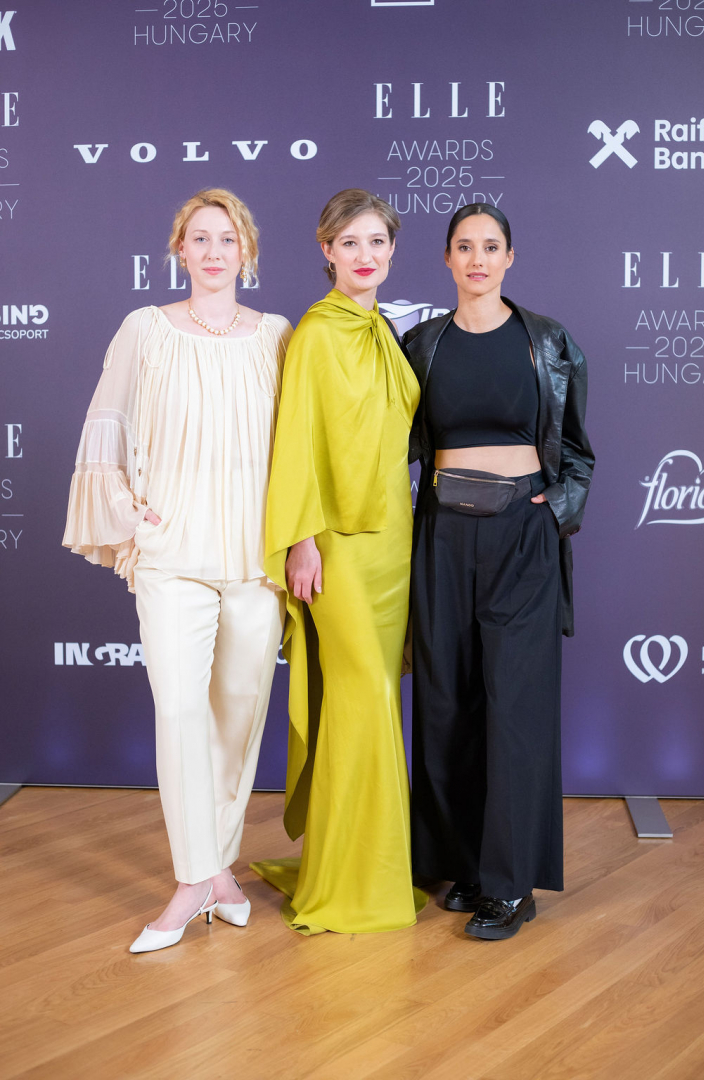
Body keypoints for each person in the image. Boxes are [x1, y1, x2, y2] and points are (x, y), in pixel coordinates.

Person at [63, 189, 293, 953]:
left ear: (246, 250)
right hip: (172, 560)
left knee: (238, 716)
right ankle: (194, 880)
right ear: (179, 250)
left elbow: (299, 445)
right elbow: (106, 417)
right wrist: (125, 509)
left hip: (255, 562)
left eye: (227, 237)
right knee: (181, 710)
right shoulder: (146, 329)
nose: (214, 250)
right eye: (200, 237)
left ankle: (217, 872)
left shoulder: (277, 335)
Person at [404, 203, 594, 941]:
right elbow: (391, 445)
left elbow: (576, 450)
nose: (477, 259)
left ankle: (511, 886)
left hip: (523, 531)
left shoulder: (547, 341)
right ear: (447, 259)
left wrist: (556, 508)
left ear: (510, 257)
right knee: (446, 700)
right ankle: (465, 865)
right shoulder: (422, 344)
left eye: (491, 246)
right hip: (443, 534)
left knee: (514, 706)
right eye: (464, 246)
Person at [251, 189, 425, 934]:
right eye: (349, 242)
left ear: (392, 250)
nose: (365, 255)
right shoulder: (317, 333)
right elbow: (297, 439)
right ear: (326, 250)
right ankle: (352, 882)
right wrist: (301, 538)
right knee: (364, 697)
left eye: (376, 242)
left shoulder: (385, 330)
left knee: (377, 696)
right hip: (338, 549)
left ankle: (366, 863)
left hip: (393, 542)